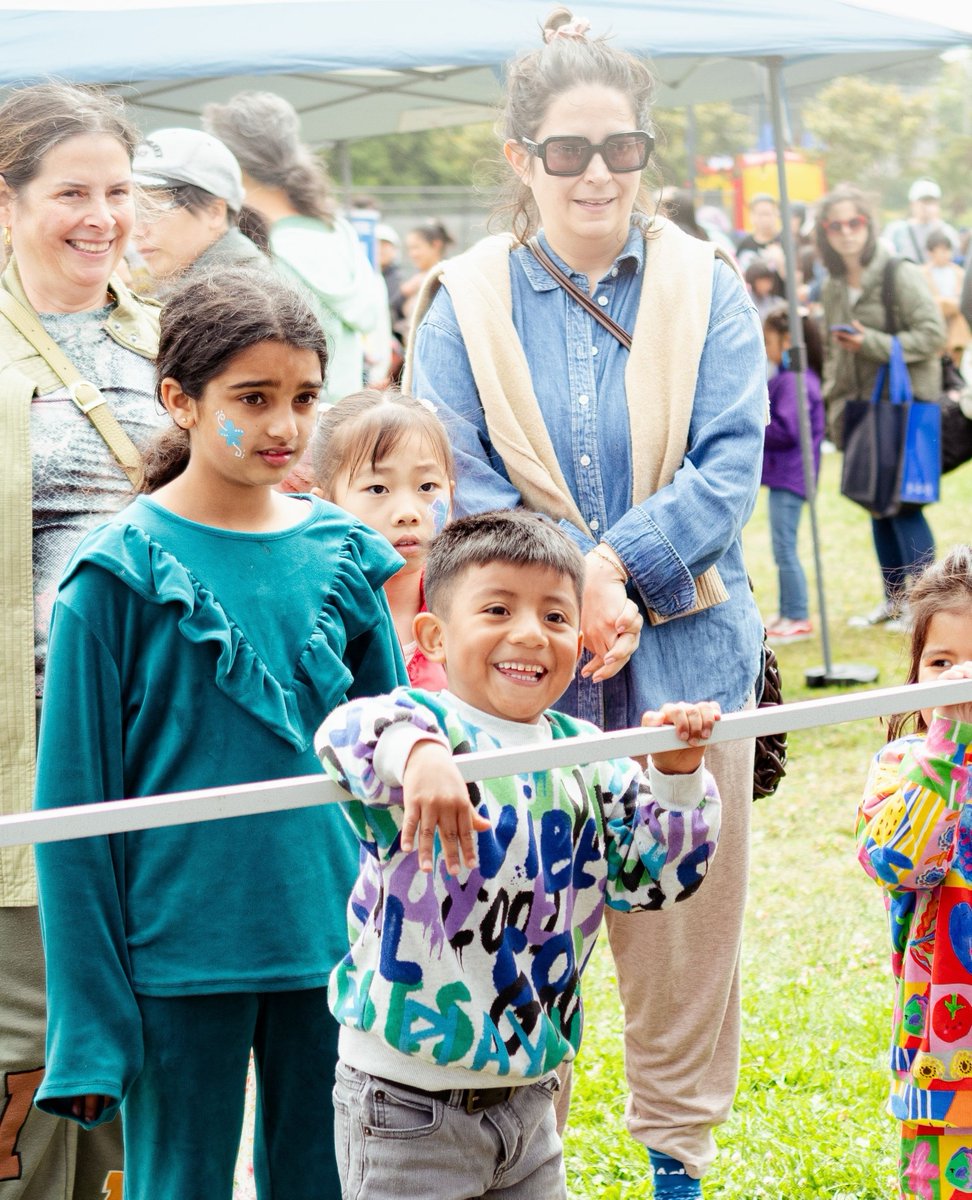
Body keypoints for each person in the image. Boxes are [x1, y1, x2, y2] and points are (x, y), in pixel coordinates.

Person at [406, 7, 767, 1194]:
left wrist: (620, 573)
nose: (598, 172)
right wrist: (583, 582)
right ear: (523, 160)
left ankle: (676, 1175)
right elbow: (462, 477)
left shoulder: (707, 283)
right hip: (518, 669)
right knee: (521, 926)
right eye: (569, 150)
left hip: (687, 667)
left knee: (682, 948)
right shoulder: (460, 300)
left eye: (622, 147)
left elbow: (729, 461)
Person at [32, 268, 406, 1200]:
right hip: (174, 962)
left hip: (337, 949)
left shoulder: (345, 556)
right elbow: (71, 821)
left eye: (304, 398)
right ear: (179, 400)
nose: (284, 427)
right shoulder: (112, 577)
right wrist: (89, 1019)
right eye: (253, 398)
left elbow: (395, 758)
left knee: (330, 1185)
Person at [314, 509, 723, 1200]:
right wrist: (419, 757)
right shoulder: (422, 724)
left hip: (529, 1104)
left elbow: (656, 880)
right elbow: (344, 729)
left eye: (557, 618)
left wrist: (677, 774)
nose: (530, 634)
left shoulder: (585, 755)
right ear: (434, 636)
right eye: (498, 608)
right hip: (404, 1104)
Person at [0, 80, 166, 1198]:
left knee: (141, 1062)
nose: (100, 216)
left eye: (117, 189)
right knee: (32, 1057)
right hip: (27, 757)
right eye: (71, 192)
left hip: (163, 754)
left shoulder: (174, 336)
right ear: (8, 203)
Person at [856, 545, 972, 1200]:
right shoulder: (903, 766)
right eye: (941, 663)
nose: (959, 681)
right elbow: (898, 862)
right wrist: (947, 754)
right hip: (940, 1068)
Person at [202, 91, 387, 405]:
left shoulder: (260, 252)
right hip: (346, 411)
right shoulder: (337, 229)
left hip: (293, 416)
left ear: (234, 163)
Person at [816, 184, 944, 628]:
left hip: (905, 410)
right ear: (825, 233)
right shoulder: (832, 284)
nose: (847, 232)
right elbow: (833, 355)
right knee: (875, 503)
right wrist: (834, 411)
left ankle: (928, 607)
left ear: (868, 225)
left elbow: (932, 334)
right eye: (836, 225)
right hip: (859, 411)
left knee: (906, 504)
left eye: (856, 222)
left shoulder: (896, 271)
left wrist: (869, 341)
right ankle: (893, 602)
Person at [312, 388, 454, 689]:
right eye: (377, 489)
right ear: (326, 505)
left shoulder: (467, 609)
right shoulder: (316, 617)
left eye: (427, 486)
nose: (407, 513)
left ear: (452, 494)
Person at [131, 126, 268, 286]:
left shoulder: (241, 296)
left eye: (154, 209)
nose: (137, 231)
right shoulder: (203, 288)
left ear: (214, 212)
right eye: (135, 210)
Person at [760, 305, 825, 645]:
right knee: (781, 547)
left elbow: (788, 429)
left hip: (792, 476)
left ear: (787, 342)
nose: (765, 347)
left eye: (768, 340)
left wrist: (755, 425)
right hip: (789, 475)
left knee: (785, 548)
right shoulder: (794, 379)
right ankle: (788, 611)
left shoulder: (795, 382)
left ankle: (798, 614)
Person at [884, 178, 961, 265]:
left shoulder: (947, 232)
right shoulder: (896, 230)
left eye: (931, 202)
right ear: (912, 204)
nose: (927, 206)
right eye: (923, 201)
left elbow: (956, 261)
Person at [922, 230, 970, 363]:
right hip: (934, 324)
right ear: (930, 252)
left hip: (954, 327)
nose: (946, 255)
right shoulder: (922, 273)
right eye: (941, 251)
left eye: (948, 250)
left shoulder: (959, 273)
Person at [735, 193, 786, 297]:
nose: (764, 219)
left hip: (781, 306)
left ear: (776, 214)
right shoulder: (745, 244)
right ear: (751, 216)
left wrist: (780, 261)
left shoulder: (786, 242)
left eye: (767, 213)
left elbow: (797, 283)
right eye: (759, 214)